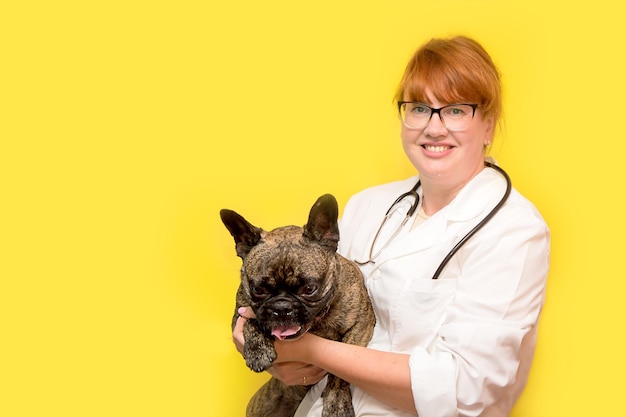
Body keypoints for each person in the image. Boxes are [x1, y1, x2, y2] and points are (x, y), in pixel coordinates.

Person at [233, 35, 550, 417]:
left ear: (488, 126)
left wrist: (310, 351)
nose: (434, 128)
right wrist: (256, 340)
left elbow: (465, 390)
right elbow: (315, 313)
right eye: (418, 108)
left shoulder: (515, 231)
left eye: (455, 111)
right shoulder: (368, 205)